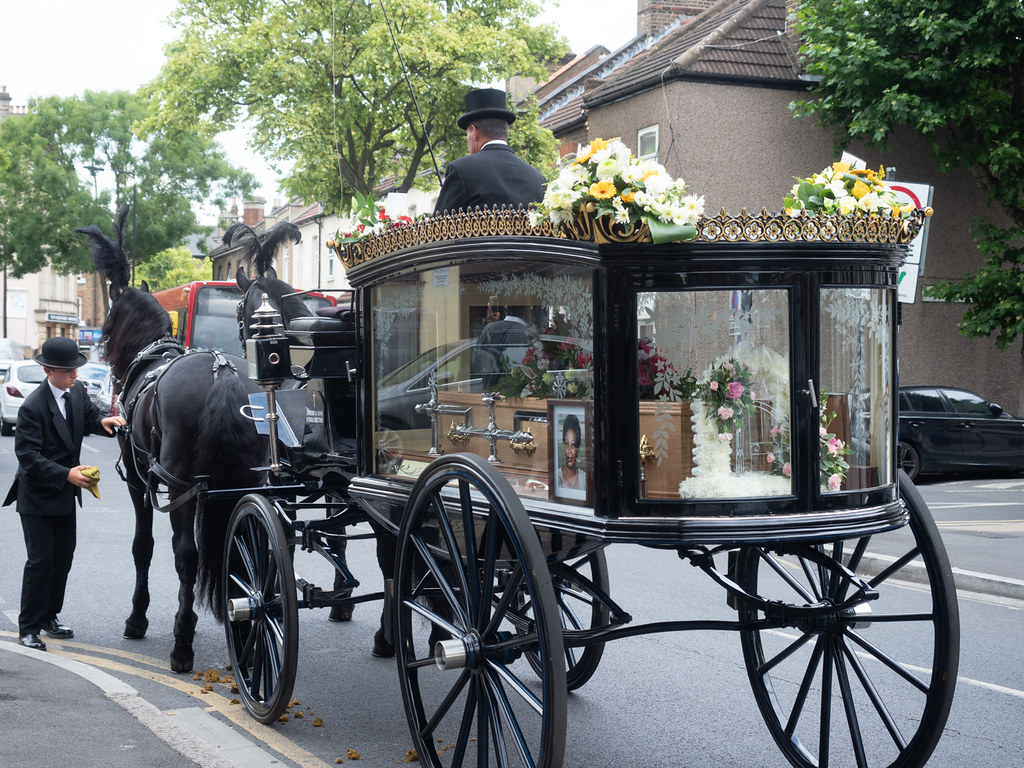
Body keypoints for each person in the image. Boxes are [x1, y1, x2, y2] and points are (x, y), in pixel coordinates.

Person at [3, 336, 125, 650]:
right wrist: (67, 474)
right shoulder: (33, 407)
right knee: (40, 561)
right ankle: (28, 627)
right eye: (68, 370)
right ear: (48, 370)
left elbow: (89, 417)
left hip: (64, 494)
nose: (74, 374)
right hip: (38, 497)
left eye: (75, 368)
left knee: (62, 559)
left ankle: (49, 616)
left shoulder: (76, 393)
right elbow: (28, 457)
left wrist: (104, 421)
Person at [433, 88, 546, 215]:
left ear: (474, 132)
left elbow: (439, 228)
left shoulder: (461, 170)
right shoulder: (538, 178)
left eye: (467, 135)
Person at [559, 414, 582, 491]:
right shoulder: (556, 476)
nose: (569, 451)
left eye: (573, 445)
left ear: (578, 448)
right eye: (566, 444)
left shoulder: (585, 479)